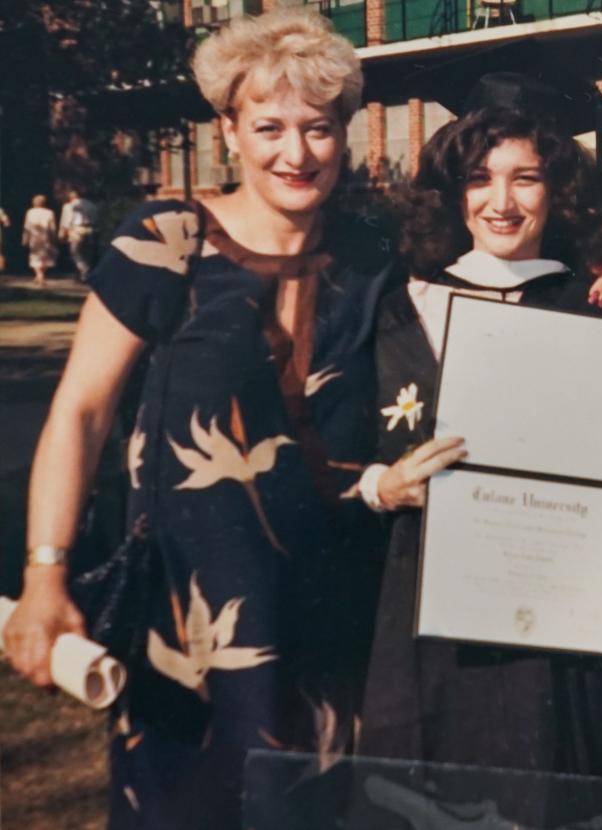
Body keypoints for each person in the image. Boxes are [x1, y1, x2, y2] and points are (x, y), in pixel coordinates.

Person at [3, 10, 397, 829]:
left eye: (319, 129)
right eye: (270, 127)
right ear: (228, 128)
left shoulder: (371, 257)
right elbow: (80, 410)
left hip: (332, 620)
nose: (297, 153)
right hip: (188, 628)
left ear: (345, 133)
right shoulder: (165, 243)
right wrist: (46, 572)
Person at [357, 76, 602, 804]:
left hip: (563, 628)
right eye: (479, 179)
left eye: (526, 178)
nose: (502, 202)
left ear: (559, 190)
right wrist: (382, 484)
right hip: (431, 616)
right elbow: (348, 448)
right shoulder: (402, 305)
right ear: (449, 192)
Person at [59, 189, 99, 281]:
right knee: (87, 253)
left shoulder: (69, 206)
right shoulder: (92, 205)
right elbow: (96, 218)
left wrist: (62, 234)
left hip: (76, 229)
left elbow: (66, 221)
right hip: (90, 229)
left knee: (75, 252)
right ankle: (85, 274)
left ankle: (84, 271)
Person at [22, 194, 58, 287]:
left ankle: (39, 275)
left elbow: (27, 227)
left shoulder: (30, 212)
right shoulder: (49, 212)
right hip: (46, 237)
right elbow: (52, 228)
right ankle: (41, 275)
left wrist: (25, 239)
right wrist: (54, 238)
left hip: (34, 237)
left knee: (35, 257)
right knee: (45, 257)